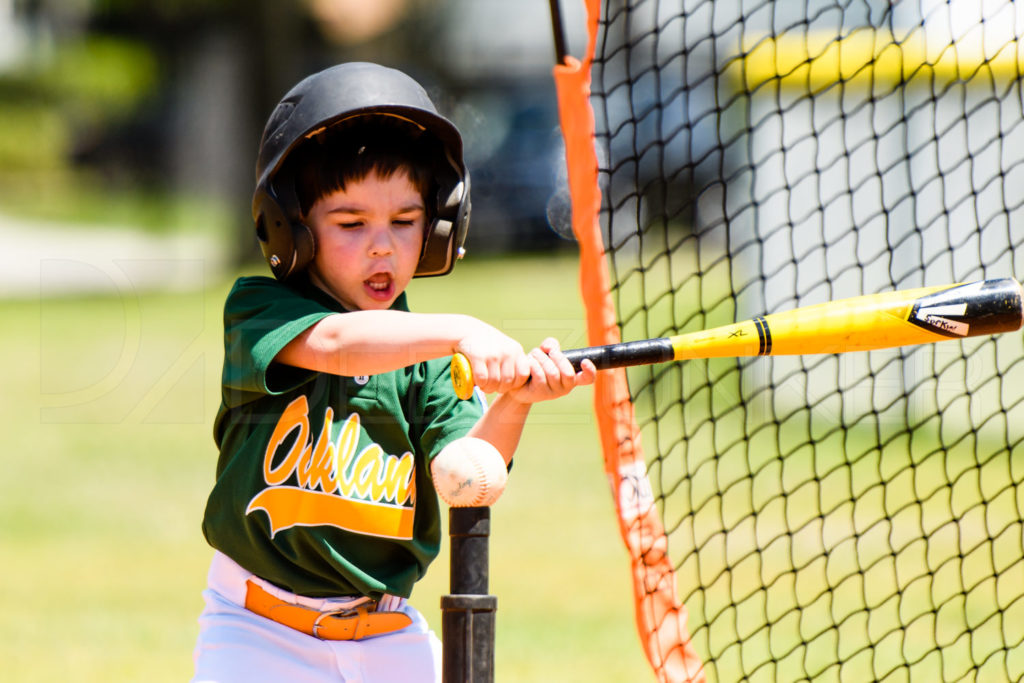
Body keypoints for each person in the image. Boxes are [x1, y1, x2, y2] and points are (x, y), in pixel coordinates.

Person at [191, 62, 596, 682]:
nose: (383, 245)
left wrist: (516, 402)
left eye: (405, 222)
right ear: (291, 228)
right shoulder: (261, 311)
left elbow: (464, 477)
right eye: (352, 224)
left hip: (387, 636)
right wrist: (463, 329)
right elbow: (336, 343)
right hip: (256, 632)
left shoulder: (431, 361)